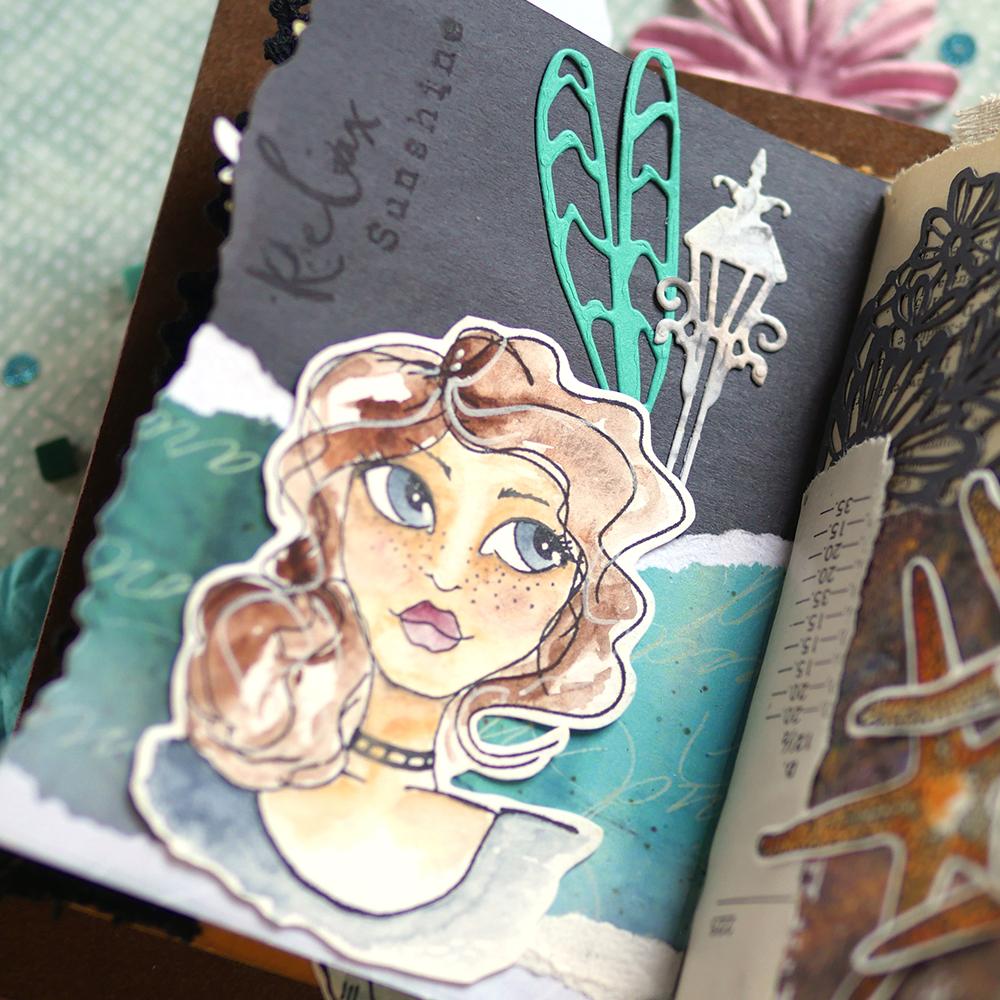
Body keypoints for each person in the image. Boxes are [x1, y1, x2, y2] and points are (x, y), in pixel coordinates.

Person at [133, 319, 691, 975]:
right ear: (332, 510)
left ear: (577, 605)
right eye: (407, 496)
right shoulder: (181, 784)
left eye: (532, 544)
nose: (446, 573)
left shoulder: (537, 870)